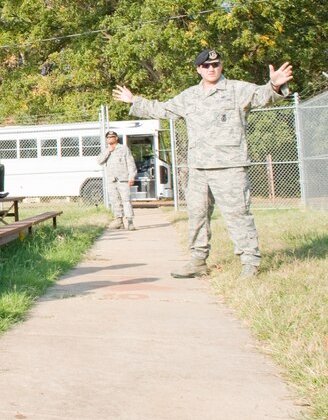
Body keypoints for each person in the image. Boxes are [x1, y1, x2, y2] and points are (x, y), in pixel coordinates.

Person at [112, 49, 293, 279]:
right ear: (198, 69)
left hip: (230, 167)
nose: (211, 69)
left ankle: (250, 262)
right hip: (198, 169)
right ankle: (198, 261)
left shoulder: (237, 90)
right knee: (197, 217)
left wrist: (275, 85)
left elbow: (263, 96)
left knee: (238, 215)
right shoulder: (189, 96)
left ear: (221, 65)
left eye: (215, 64)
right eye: (206, 66)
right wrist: (134, 101)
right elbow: (163, 109)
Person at [97, 130, 136, 230]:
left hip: (123, 180)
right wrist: (108, 151)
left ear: (116, 138)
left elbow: (130, 163)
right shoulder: (106, 150)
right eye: (108, 137)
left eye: (111, 137)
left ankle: (130, 222)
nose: (109, 139)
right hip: (112, 180)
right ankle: (119, 221)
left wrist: (131, 177)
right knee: (115, 201)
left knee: (126, 200)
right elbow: (99, 161)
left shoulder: (123, 148)